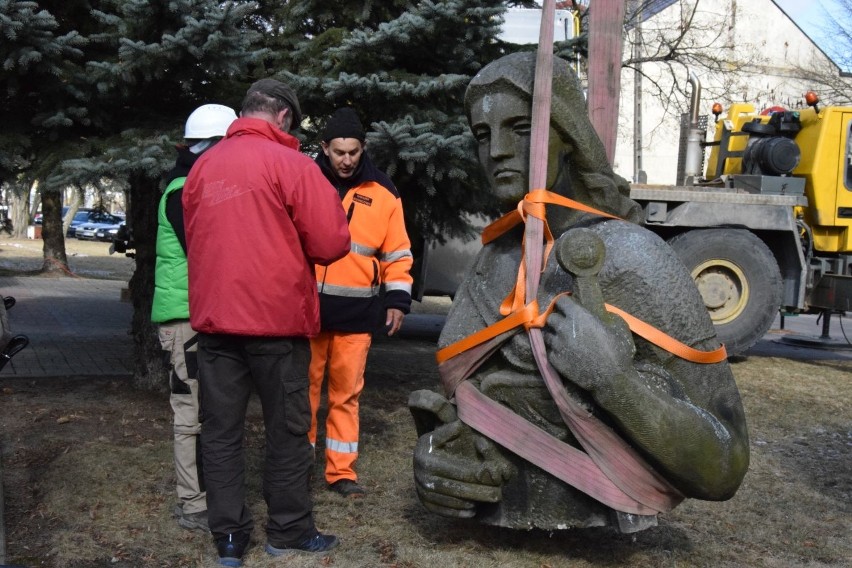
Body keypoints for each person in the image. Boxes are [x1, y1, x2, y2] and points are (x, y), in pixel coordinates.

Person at [409, 52, 750, 532]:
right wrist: (437, 459)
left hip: (602, 516)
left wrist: (614, 382)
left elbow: (724, 467)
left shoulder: (632, 257)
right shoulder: (493, 263)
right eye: (483, 135)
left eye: (522, 128)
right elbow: (465, 412)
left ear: (567, 134)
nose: (498, 151)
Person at [182, 78, 351, 566]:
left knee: (220, 433)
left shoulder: (203, 167)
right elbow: (331, 243)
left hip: (215, 325)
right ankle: (289, 530)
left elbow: (195, 240)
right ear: (282, 116)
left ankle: (229, 539)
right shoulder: (292, 164)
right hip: (277, 323)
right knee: (287, 430)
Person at [308, 108, 413, 497]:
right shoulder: (304, 182)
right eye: (338, 152)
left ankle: (341, 473)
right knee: (302, 395)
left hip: (357, 315)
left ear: (363, 148)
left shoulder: (385, 193)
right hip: (308, 313)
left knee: (346, 396)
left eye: (353, 151)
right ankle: (298, 468)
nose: (346, 160)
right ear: (324, 148)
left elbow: (398, 253)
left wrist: (398, 301)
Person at [152, 103, 237, 533]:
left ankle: (205, 495)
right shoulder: (184, 190)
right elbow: (206, 251)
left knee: (205, 409)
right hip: (185, 319)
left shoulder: (193, 183)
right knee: (189, 412)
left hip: (197, 316)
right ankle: (193, 503)